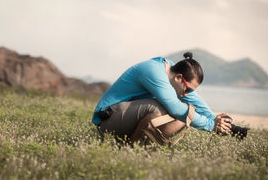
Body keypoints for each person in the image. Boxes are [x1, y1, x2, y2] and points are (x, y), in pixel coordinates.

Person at [92, 52, 249, 146]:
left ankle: (136, 147)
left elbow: (194, 100)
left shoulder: (172, 70)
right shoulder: (154, 72)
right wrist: (211, 125)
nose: (187, 93)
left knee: (185, 113)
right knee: (163, 108)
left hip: (124, 116)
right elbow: (175, 108)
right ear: (179, 78)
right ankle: (132, 148)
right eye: (187, 89)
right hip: (106, 118)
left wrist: (217, 120)